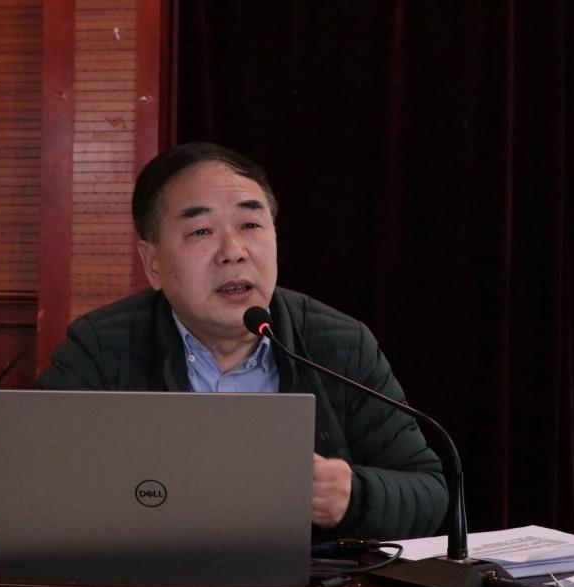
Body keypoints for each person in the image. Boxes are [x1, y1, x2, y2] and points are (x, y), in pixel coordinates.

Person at [39, 142, 448, 540]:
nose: (233, 252)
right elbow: (39, 484)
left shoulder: (340, 345)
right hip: (152, 577)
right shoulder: (100, 347)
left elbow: (428, 492)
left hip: (306, 582)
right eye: (201, 231)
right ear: (153, 263)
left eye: (250, 225)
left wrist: (353, 497)